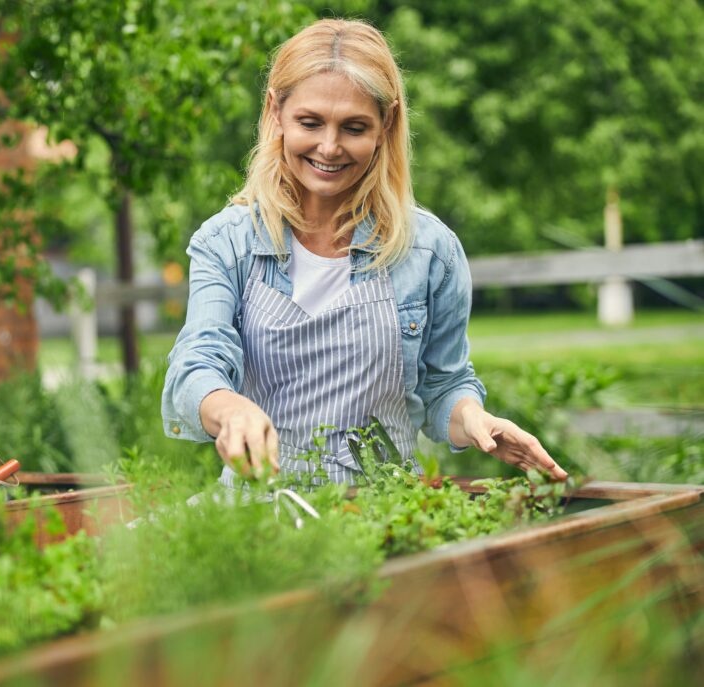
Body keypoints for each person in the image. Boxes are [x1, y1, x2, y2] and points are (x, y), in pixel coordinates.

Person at [162, 18, 568, 487]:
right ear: (275, 112)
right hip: (261, 515)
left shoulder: (430, 252)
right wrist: (229, 409)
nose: (329, 148)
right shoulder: (226, 242)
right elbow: (198, 361)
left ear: (386, 124)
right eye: (309, 123)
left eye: (354, 127)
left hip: (390, 510)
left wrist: (473, 417)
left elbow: (443, 386)